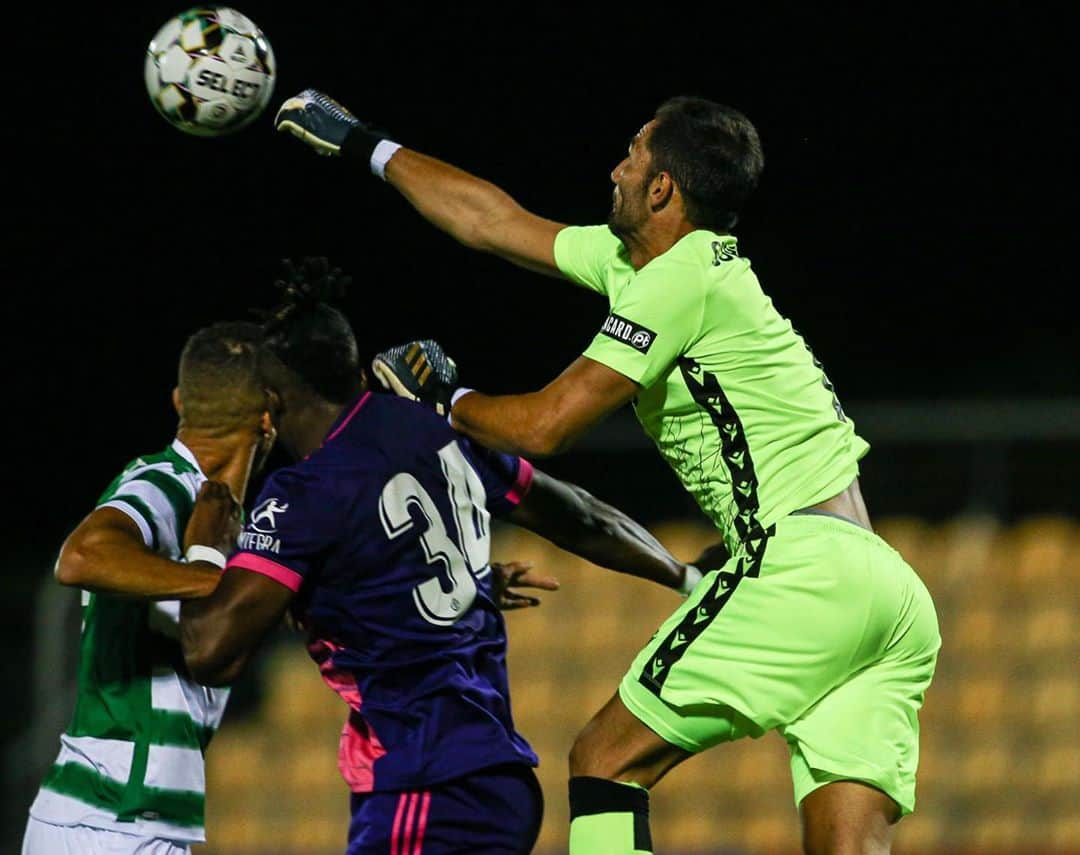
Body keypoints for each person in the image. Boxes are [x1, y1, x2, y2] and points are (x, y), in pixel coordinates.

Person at [273, 92, 942, 855]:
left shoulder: (678, 279)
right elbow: (492, 222)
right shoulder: (651, 266)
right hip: (884, 585)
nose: (615, 167)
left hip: (802, 570)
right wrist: (369, 145)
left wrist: (444, 397)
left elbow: (548, 425)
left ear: (663, 189)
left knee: (603, 761)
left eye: (633, 153)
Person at [177, 258, 699, 855]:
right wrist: (687, 576)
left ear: (271, 399)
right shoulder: (434, 428)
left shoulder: (307, 491)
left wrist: (204, 545)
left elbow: (208, 651)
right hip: (496, 782)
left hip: (424, 780)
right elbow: (579, 515)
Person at [23, 321, 276, 854]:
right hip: (112, 822)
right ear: (270, 417)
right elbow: (82, 555)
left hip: (114, 822)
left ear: (180, 400)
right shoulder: (163, 483)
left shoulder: (226, 516)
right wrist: (220, 581)